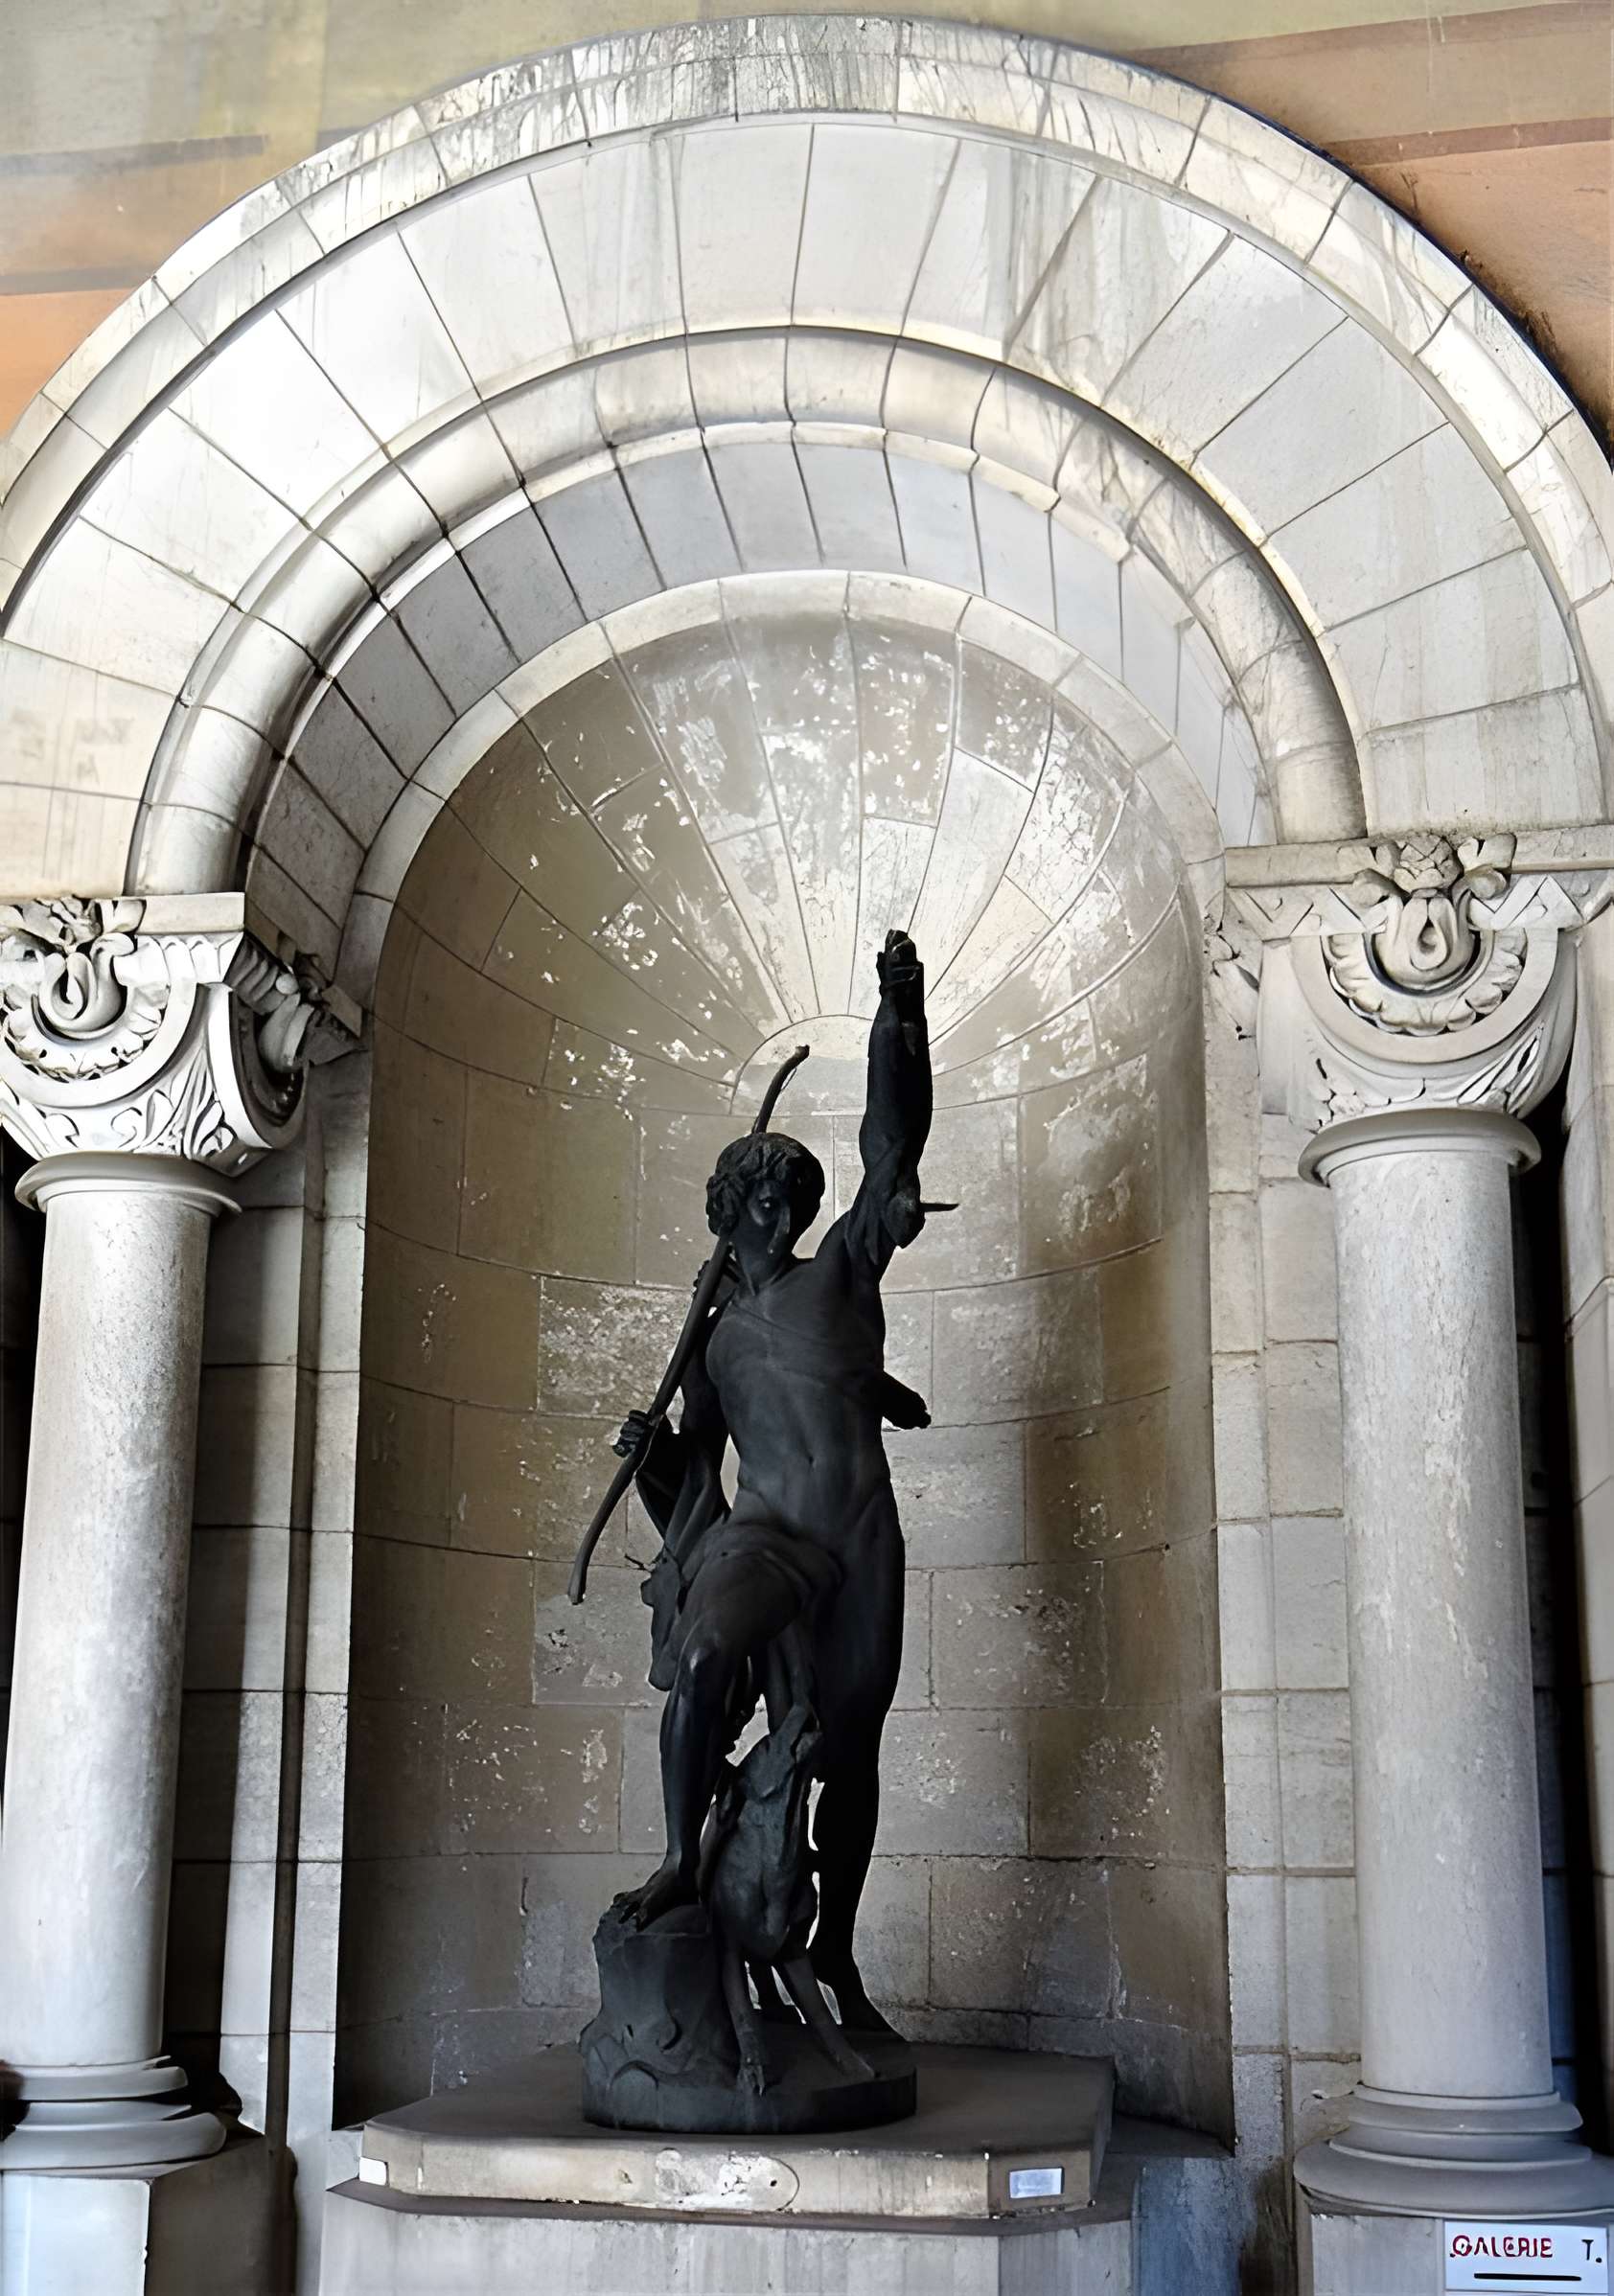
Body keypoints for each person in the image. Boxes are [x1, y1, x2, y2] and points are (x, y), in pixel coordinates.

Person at [613, 930, 934, 2034]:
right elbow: (696, 1485)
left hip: (856, 1537)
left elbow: (891, 1148)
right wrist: (651, 1453)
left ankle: (834, 1952)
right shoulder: (709, 1343)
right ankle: (670, 1859)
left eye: (796, 1192)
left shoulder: (838, 1272)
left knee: (848, 1755)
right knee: (704, 1653)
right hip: (766, 1535)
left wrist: (901, 1012)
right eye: (767, 1192)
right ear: (732, 1205)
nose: (785, 1208)